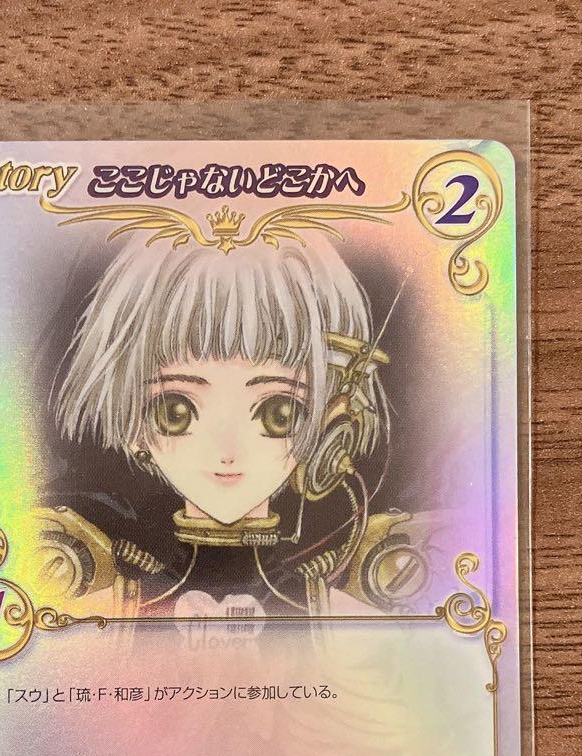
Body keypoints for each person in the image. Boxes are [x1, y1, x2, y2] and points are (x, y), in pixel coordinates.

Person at [34, 232, 407, 619]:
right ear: (129, 421)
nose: (227, 451)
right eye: (175, 411)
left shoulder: (344, 617)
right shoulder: (99, 613)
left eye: (279, 413)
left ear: (332, 427)